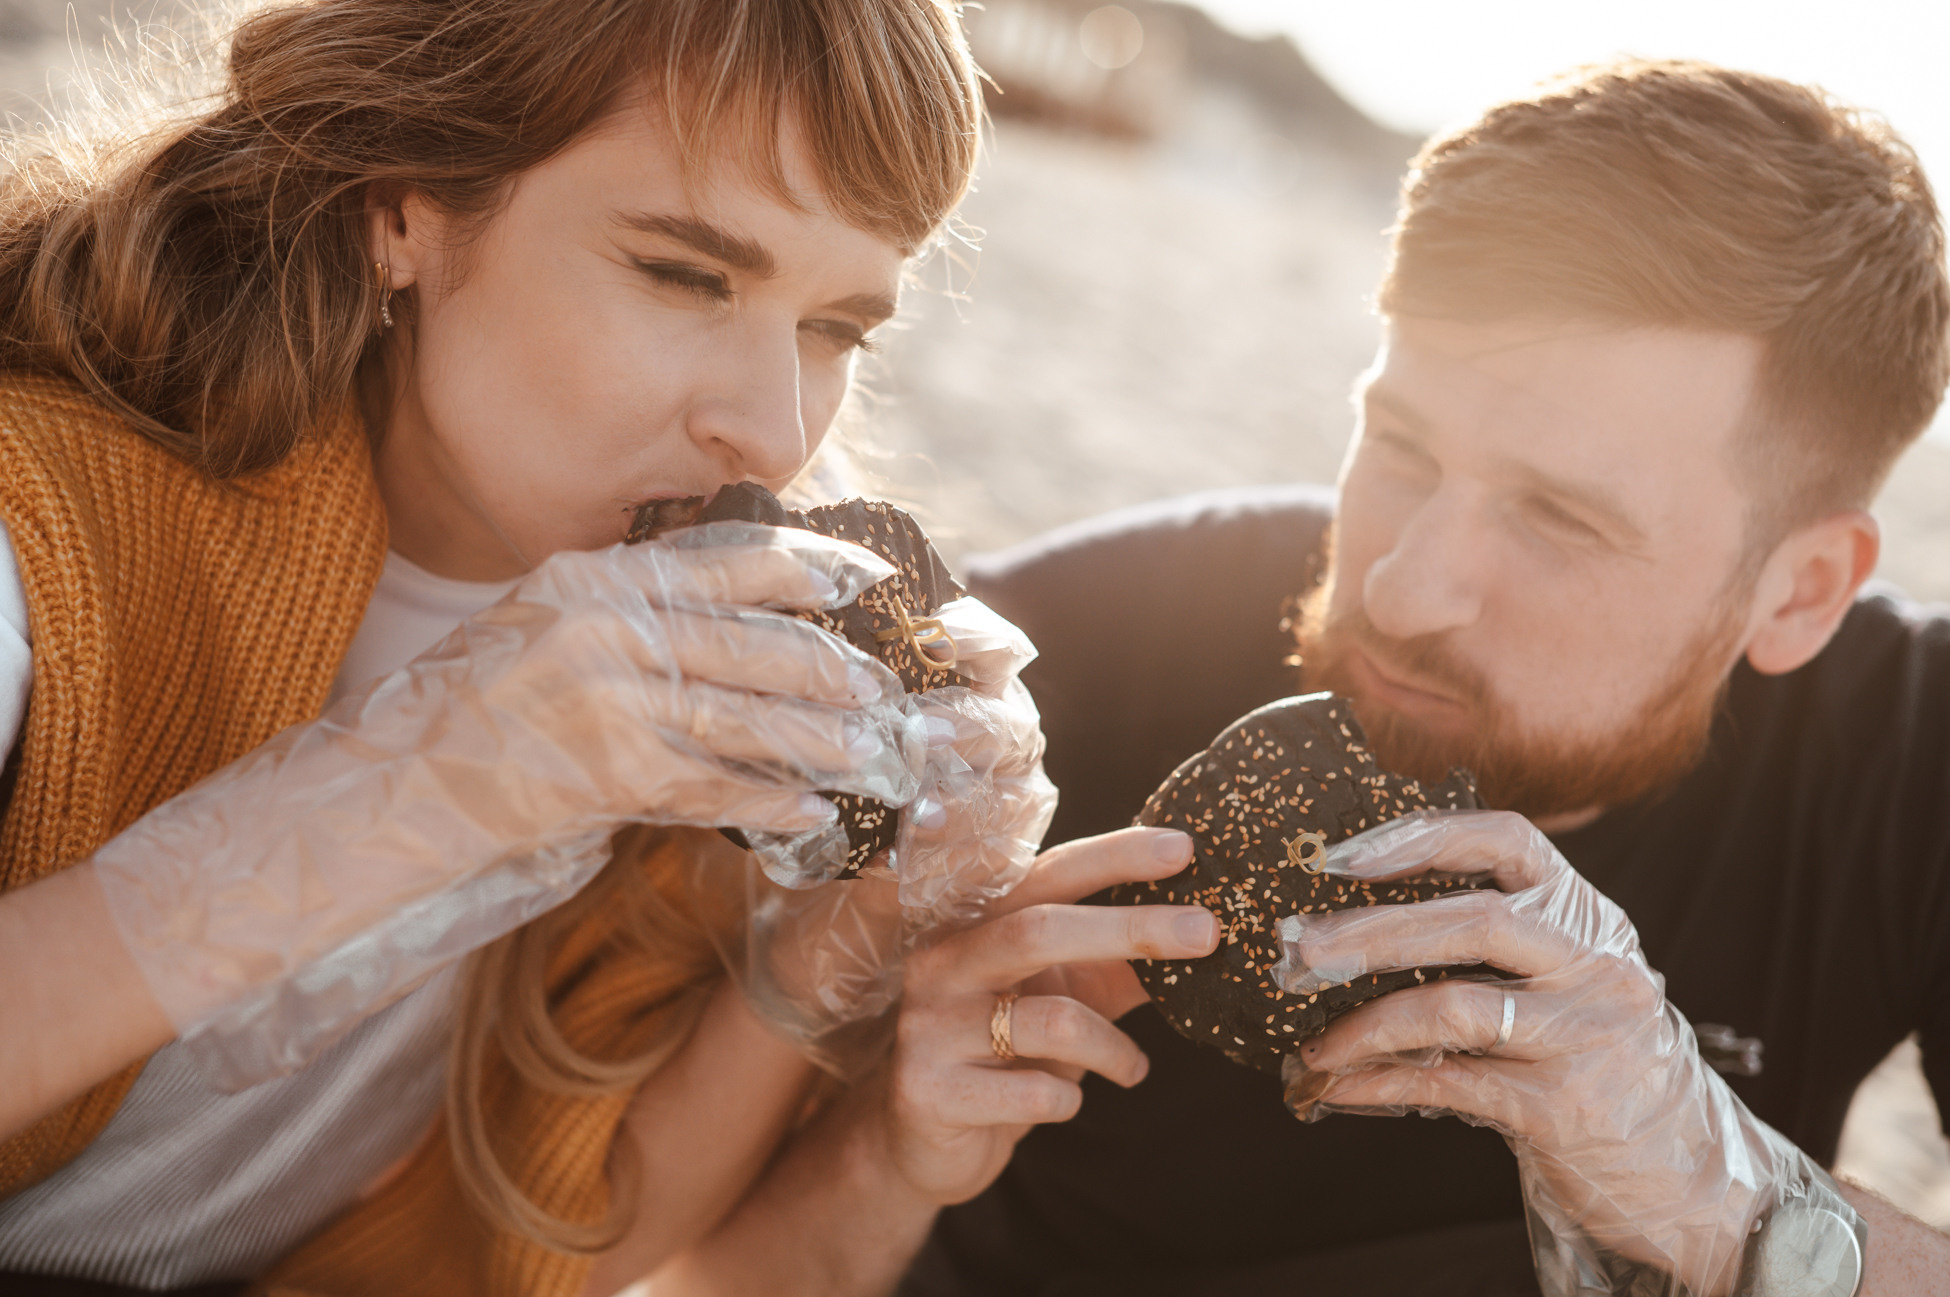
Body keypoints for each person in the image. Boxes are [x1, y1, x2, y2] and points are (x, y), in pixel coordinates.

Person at [642, 61, 1950, 1296]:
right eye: (1399, 445)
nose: (1400, 588)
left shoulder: (1903, 763)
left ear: (1801, 590)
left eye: (1558, 517)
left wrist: (1722, 1186)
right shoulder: (1045, 675)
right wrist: (887, 1150)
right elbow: (684, 1276)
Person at [0, 2, 1225, 1294]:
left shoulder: (738, 673)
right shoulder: (43, 536)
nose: (769, 430)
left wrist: (813, 963)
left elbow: (564, 1240)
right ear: (400, 205)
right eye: (685, 275)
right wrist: (411, 785)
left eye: (835, 329)